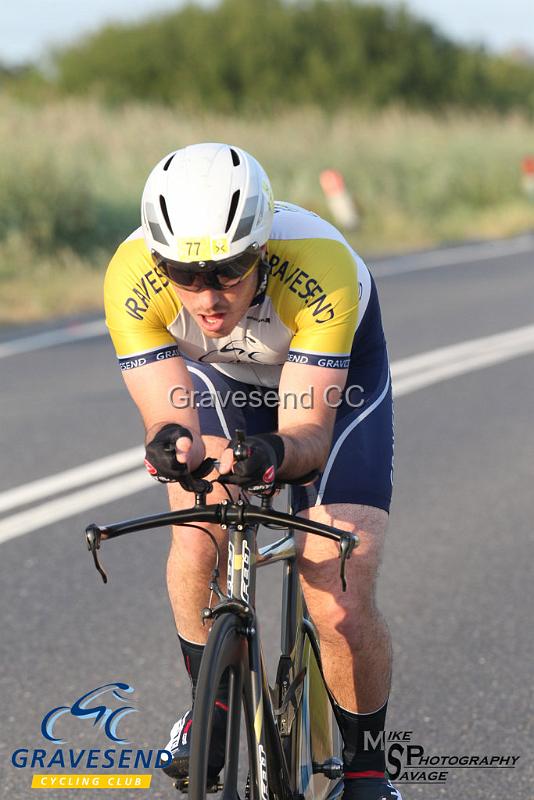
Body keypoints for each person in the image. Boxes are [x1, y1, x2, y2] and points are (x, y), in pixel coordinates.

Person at [104, 143, 400, 800]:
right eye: (184, 274)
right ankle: (206, 711)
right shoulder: (129, 277)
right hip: (223, 377)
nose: (208, 299)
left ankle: (368, 772)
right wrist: (171, 448)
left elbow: (307, 438)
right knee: (194, 533)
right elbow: (166, 420)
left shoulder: (319, 264)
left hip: (330, 381)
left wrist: (267, 456)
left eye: (232, 270)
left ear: (262, 248)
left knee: (340, 591)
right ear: (158, 259)